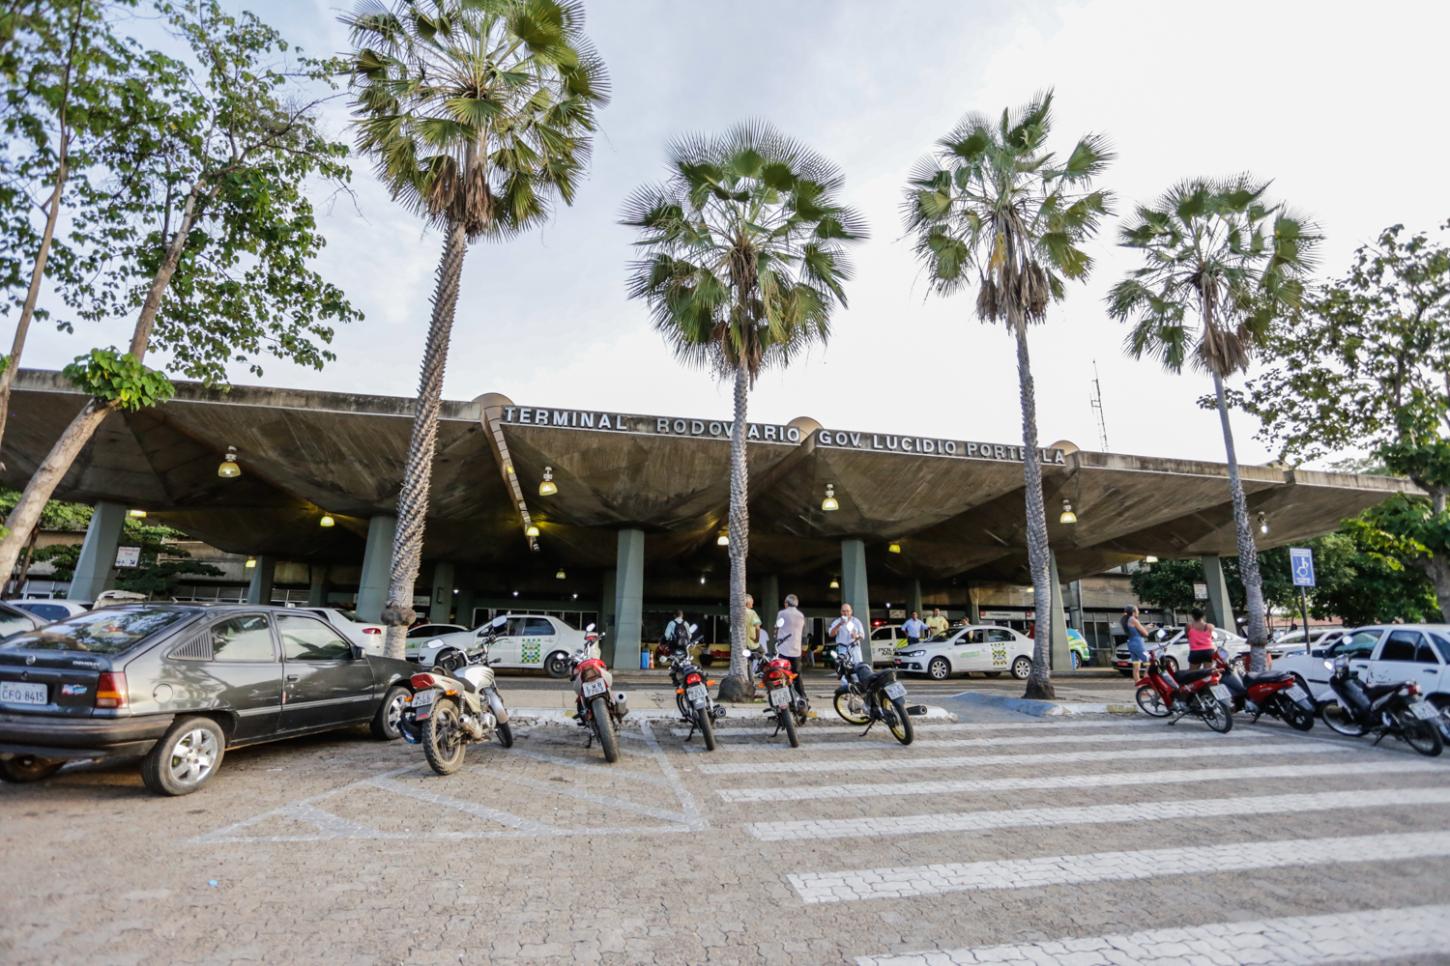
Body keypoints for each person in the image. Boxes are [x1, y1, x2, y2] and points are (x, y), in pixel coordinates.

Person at [775, 594, 808, 703]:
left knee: (781, 675)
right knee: (797, 676)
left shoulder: (782, 613)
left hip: (783, 650)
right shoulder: (800, 615)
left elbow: (777, 627)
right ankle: (803, 698)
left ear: (786, 603)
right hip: (796, 650)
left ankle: (783, 701)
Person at [828, 603, 867, 681]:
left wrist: (856, 636)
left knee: (858, 667)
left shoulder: (856, 621)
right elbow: (831, 634)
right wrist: (839, 625)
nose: (845, 613)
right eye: (843, 611)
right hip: (842, 648)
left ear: (851, 611)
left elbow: (862, 636)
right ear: (841, 612)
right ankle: (845, 688)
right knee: (844, 669)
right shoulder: (837, 621)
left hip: (854, 647)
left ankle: (859, 686)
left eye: (847, 611)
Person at [1122, 605, 1152, 683]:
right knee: (1150, 661)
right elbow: (1145, 634)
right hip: (1138, 644)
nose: (1138, 612)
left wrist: (1145, 627)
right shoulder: (1134, 620)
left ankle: (1140, 687)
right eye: (1137, 610)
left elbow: (1136, 631)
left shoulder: (1127, 620)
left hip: (1131, 644)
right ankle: (1146, 680)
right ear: (1133, 612)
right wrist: (1147, 629)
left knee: (1136, 667)